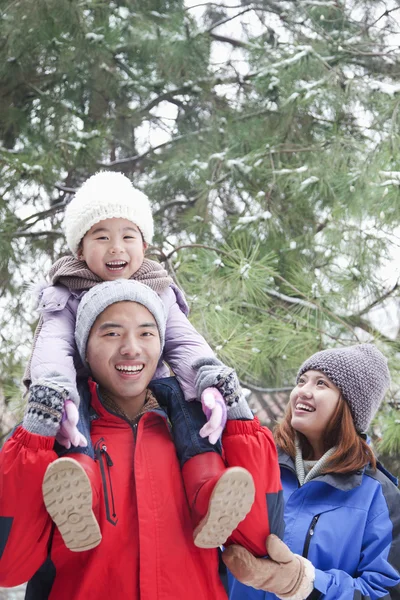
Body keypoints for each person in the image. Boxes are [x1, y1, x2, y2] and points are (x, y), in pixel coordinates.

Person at [0, 280, 283, 599]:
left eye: (146, 333)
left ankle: (205, 493)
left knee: (212, 483)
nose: (131, 348)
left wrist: (239, 418)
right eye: (111, 333)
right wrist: (35, 437)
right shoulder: (44, 442)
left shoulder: (204, 427)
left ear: (161, 345)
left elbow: (260, 545)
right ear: (85, 350)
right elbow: (9, 567)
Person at [22, 170, 259, 551]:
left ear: (144, 246)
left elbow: (183, 342)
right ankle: (80, 492)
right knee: (76, 410)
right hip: (86, 392)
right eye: (101, 237)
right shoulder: (65, 291)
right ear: (80, 249)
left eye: (127, 236)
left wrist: (209, 379)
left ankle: (208, 486)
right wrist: (55, 391)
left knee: (183, 397)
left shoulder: (158, 289)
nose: (116, 248)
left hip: (142, 387)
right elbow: (53, 346)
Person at [223, 344, 400, 600]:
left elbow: (385, 592)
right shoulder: (260, 461)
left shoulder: (379, 496)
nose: (303, 391)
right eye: (302, 381)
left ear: (349, 406)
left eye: (321, 384)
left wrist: (304, 583)